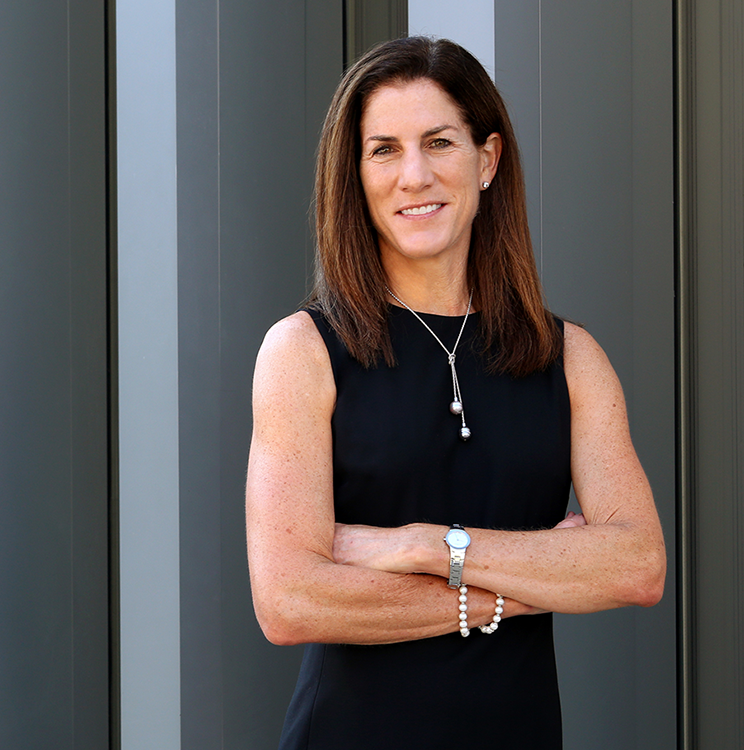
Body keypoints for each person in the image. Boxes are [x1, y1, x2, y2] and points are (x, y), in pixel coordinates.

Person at [245, 36, 666, 750]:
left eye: (439, 142)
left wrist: (425, 545)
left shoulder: (570, 358)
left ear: (487, 160)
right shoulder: (303, 351)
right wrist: (534, 584)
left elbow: (636, 564)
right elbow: (289, 600)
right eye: (384, 149)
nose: (413, 175)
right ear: (355, 174)